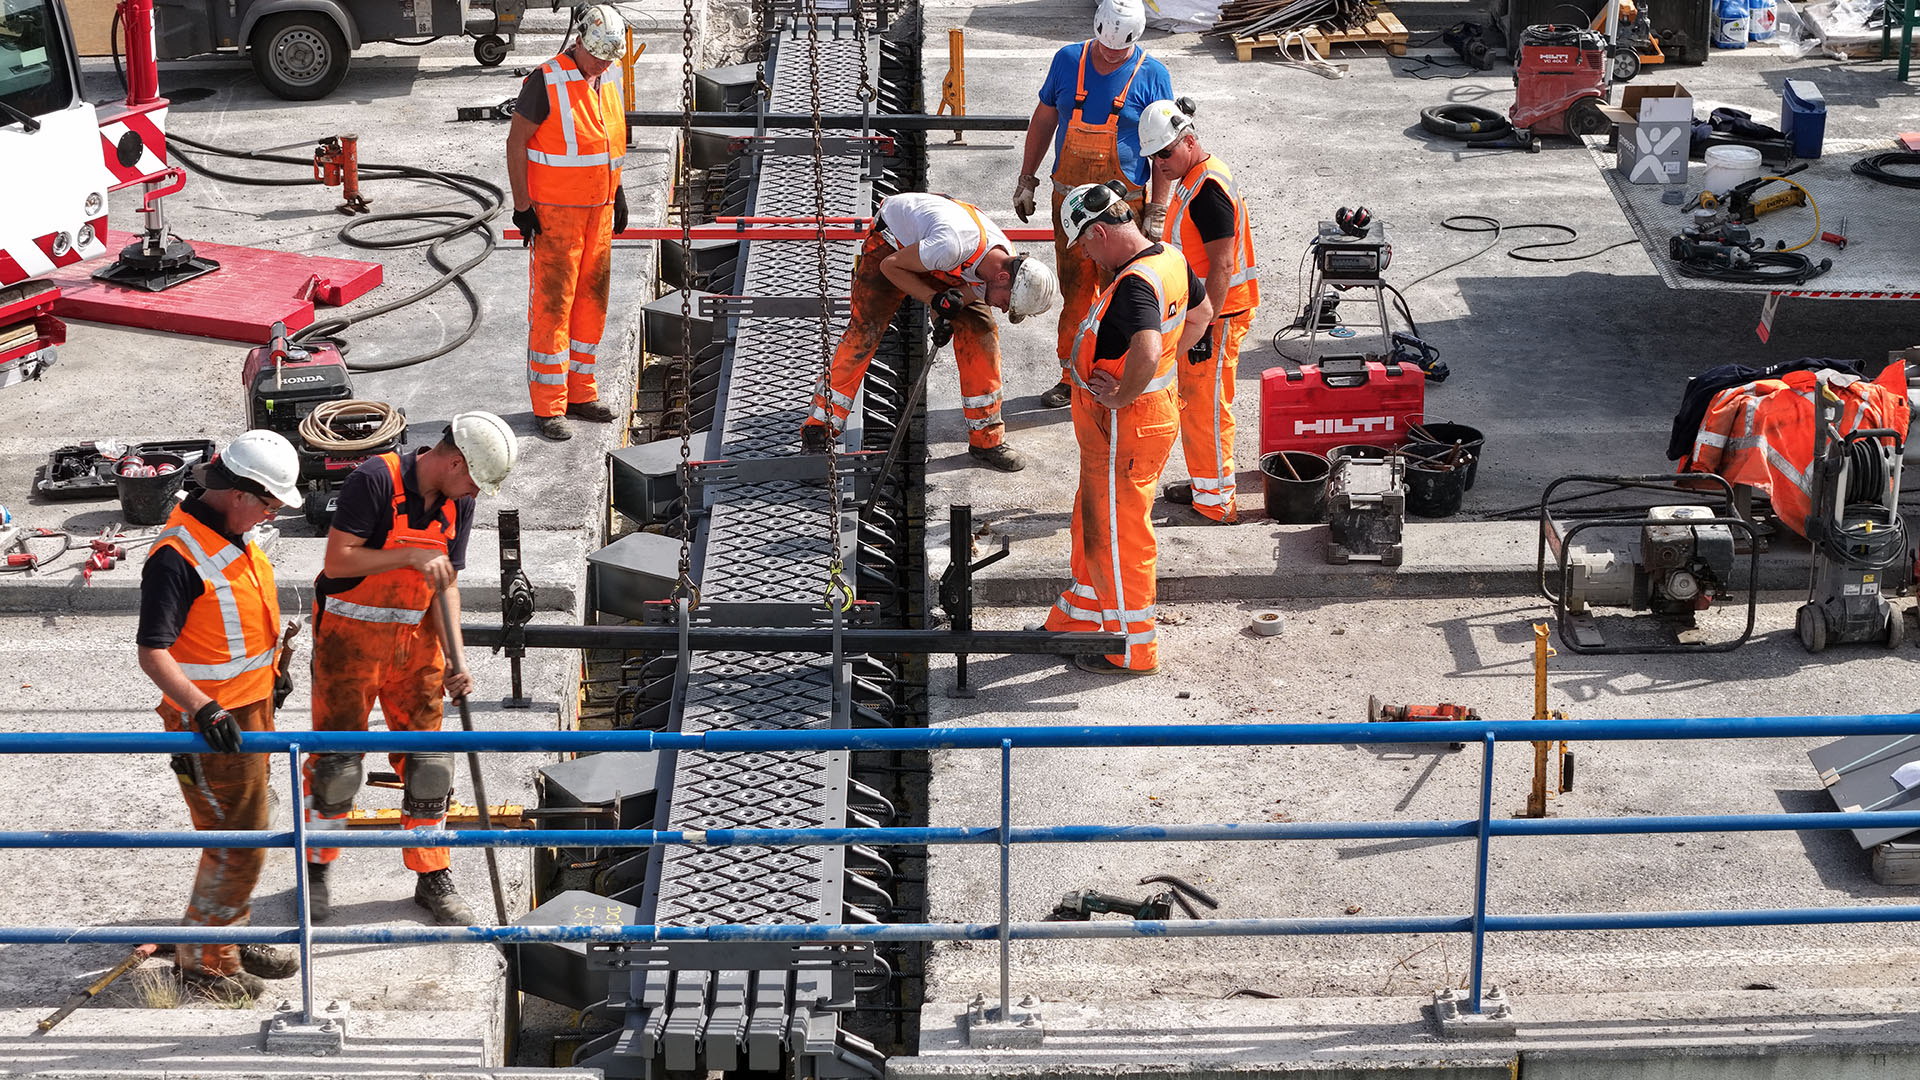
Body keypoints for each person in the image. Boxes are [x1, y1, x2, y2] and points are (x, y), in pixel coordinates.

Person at [302, 412, 517, 925]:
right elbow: (338, 562)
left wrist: (457, 661)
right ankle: (315, 869)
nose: (474, 493)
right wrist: (406, 556)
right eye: (472, 479)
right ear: (453, 460)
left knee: (430, 768)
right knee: (336, 770)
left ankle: (431, 876)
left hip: (417, 651)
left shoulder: (457, 503)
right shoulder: (374, 480)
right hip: (348, 647)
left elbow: (447, 585)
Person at [136, 431, 305, 1003]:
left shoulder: (231, 532)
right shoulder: (177, 557)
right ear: (239, 493)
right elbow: (152, 652)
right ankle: (207, 967)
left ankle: (225, 933)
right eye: (271, 501)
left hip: (250, 710)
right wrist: (203, 708)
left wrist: (273, 670)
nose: (274, 511)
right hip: (210, 725)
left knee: (252, 825)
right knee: (235, 839)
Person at [1041, 182, 1212, 674]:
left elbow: (1148, 347)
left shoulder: (1136, 282)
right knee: (1093, 521)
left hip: (1126, 425)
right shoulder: (1170, 260)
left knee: (1119, 533)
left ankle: (1131, 649)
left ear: (1099, 232)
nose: (1087, 256)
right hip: (1133, 424)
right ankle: (1082, 616)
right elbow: (1201, 314)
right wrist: (1155, 378)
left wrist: (1125, 392)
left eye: (1085, 245)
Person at [803, 193, 1060, 472]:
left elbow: (965, 292)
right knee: (865, 331)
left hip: (940, 258)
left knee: (981, 332)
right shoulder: (951, 245)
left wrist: (946, 312)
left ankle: (987, 440)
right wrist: (933, 300)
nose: (1002, 307)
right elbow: (891, 267)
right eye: (1006, 302)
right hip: (892, 246)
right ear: (1002, 278)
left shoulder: (999, 261)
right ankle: (820, 429)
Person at [1014, 0, 1174, 411]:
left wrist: (1157, 210)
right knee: (1078, 295)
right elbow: (1044, 120)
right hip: (1070, 209)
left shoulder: (1153, 77)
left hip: (1125, 211)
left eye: (1120, 50)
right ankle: (1072, 377)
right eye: (1104, 45)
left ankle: (1123, 378)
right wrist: (1027, 179)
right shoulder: (1068, 61)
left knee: (1126, 295)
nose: (1109, 54)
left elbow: (1161, 150)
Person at [505, 4, 629, 442]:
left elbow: (609, 142)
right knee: (553, 309)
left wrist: (618, 192)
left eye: (609, 59)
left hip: (598, 213)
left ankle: (580, 394)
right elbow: (517, 143)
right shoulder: (546, 80)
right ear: (579, 43)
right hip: (556, 217)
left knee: (591, 306)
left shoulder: (606, 77)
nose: (603, 65)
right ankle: (549, 406)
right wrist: (523, 207)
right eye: (598, 57)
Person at [1139, 99, 1261, 525]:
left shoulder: (1208, 190)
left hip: (1220, 315)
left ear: (1188, 141)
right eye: (1154, 156)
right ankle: (1204, 484)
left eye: (1165, 153)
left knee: (1208, 407)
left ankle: (1216, 503)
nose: (1160, 163)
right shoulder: (1192, 177)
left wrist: (1204, 321)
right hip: (1210, 313)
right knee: (1195, 403)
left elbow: (1223, 265)